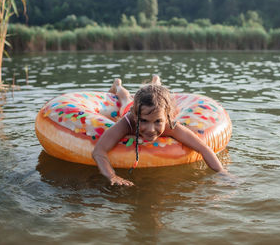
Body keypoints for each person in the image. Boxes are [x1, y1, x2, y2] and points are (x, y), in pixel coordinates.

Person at [92, 75, 227, 186]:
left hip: (156, 109)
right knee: (125, 98)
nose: (151, 130)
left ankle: (156, 82)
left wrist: (222, 173)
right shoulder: (128, 122)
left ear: (167, 117)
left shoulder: (170, 125)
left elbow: (203, 148)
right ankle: (118, 85)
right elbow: (99, 151)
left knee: (157, 93)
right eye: (144, 121)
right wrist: (112, 176)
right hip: (129, 107)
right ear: (135, 116)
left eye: (158, 122)